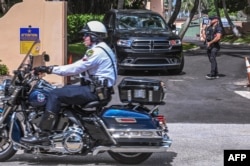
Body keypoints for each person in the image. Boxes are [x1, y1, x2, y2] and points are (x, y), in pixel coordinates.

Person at [20, 21, 117, 145]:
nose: (83, 38)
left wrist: (49, 69)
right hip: (98, 90)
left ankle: (43, 134)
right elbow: (82, 70)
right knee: (64, 90)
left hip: (94, 91)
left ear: (94, 36)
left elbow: (75, 68)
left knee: (55, 94)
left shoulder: (96, 52)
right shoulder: (102, 49)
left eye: (86, 35)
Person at [202, 16, 223, 80]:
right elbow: (205, 37)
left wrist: (210, 42)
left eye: (211, 19)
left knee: (212, 57)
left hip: (215, 46)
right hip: (209, 46)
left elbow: (218, 37)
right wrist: (203, 29)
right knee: (211, 60)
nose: (210, 20)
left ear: (216, 20)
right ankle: (216, 73)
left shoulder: (219, 28)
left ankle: (213, 74)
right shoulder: (209, 28)